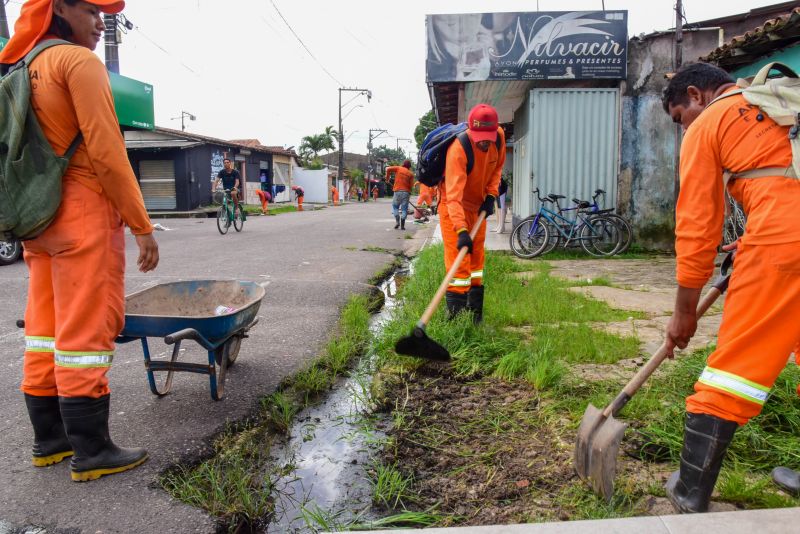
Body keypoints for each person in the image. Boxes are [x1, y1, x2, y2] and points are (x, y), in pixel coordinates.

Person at [0, 0, 159, 481]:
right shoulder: (77, 62)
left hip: (37, 219)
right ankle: (92, 451)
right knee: (85, 334)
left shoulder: (25, 64)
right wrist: (141, 226)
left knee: (45, 331)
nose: (99, 22)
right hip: (82, 217)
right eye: (92, 10)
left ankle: (49, 441)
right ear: (62, 8)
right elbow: (107, 152)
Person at [662, 62, 800, 513]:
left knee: (735, 366)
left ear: (697, 96)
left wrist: (684, 310)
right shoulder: (778, 112)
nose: (684, 127)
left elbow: (698, 225)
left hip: (785, 239)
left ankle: (690, 489)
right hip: (781, 228)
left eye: (680, 116)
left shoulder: (713, 120)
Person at [440, 103, 505, 323]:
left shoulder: (500, 137)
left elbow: (497, 169)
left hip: (478, 207)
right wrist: (461, 230)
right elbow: (453, 196)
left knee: (476, 263)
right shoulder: (458, 149)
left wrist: (490, 196)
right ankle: (456, 324)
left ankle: (475, 317)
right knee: (459, 265)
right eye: (480, 138)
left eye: (488, 136)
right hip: (453, 207)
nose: (485, 142)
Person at [385, 160, 414, 230]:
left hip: (397, 191)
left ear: (403, 164)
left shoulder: (398, 168)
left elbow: (388, 169)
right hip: (406, 192)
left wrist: (387, 178)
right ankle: (402, 225)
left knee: (395, 207)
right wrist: (409, 193)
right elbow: (411, 186)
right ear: (409, 167)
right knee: (404, 209)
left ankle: (397, 221)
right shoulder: (411, 174)